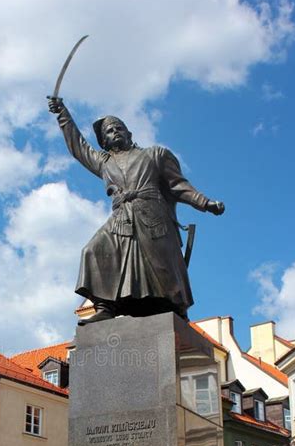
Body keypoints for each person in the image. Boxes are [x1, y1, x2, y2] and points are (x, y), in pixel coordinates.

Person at [48, 97, 225, 325]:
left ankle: (175, 306)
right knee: (93, 250)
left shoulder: (155, 154)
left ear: (129, 133)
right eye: (109, 131)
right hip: (122, 218)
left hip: (152, 213)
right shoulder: (104, 162)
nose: (115, 131)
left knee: (162, 265)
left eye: (119, 127)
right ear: (104, 141)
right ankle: (105, 306)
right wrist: (62, 113)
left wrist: (205, 203)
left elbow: (178, 186)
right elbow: (78, 147)